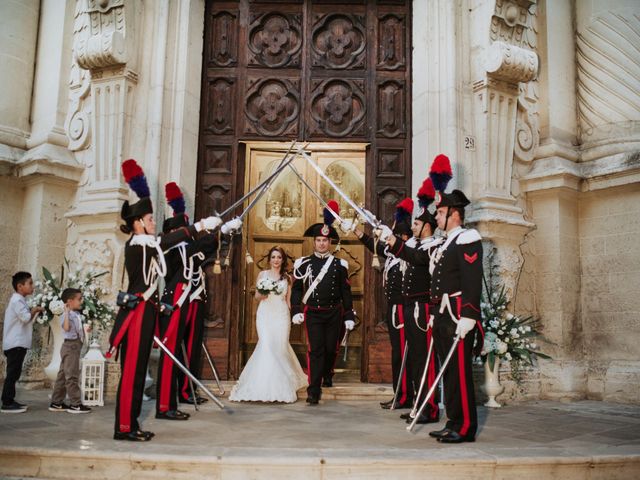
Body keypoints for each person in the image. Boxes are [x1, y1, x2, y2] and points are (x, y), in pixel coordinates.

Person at [108, 159, 237, 441]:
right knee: (132, 372)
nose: (155, 223)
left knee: (139, 370)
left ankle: (130, 424)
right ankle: (125, 427)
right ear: (137, 223)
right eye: (150, 219)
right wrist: (202, 225)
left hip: (148, 311)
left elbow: (178, 243)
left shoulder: (148, 244)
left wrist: (215, 231)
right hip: (137, 312)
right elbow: (170, 242)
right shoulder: (138, 244)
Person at [155, 182, 226, 420]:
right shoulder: (169, 248)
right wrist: (202, 228)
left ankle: (186, 390)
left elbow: (204, 246)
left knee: (192, 348)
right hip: (175, 302)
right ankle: (168, 399)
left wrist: (222, 231)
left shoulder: (188, 247)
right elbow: (195, 246)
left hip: (194, 300)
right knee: (173, 350)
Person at [385, 176, 443, 425]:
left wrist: (393, 240)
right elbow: (408, 253)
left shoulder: (433, 246)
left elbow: (415, 258)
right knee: (416, 359)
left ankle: (429, 407)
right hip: (410, 308)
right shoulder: (418, 246)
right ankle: (418, 403)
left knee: (425, 360)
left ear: (426, 227)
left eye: (416, 224)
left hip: (423, 309)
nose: (413, 228)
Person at [291, 201, 355, 405]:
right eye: (318, 240)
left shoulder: (340, 264)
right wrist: (296, 310)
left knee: (330, 349)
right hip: (314, 313)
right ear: (314, 242)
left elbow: (346, 291)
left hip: (334, 312)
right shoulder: (303, 263)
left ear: (330, 243)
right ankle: (314, 389)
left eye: (325, 240)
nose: (321, 244)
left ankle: (327, 374)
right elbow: (297, 289)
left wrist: (349, 315)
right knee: (316, 350)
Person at [352, 198, 414, 410]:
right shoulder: (393, 255)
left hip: (404, 309)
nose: (389, 240)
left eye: (395, 237)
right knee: (397, 353)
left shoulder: (407, 255)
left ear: (404, 238)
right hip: (394, 310)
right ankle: (400, 393)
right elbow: (374, 246)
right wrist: (358, 232)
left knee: (403, 354)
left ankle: (406, 395)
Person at [229, 246, 307, 403]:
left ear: (283, 260)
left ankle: (281, 385)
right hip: (265, 315)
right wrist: (265, 290)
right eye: (273, 257)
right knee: (266, 345)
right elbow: (257, 296)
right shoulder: (262, 275)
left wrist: (295, 315)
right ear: (269, 259)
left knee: (280, 347)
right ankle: (261, 385)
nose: (276, 260)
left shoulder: (287, 278)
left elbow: (289, 301)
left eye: (279, 257)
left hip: (281, 316)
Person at [1, 272, 43, 414]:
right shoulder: (17, 300)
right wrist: (35, 309)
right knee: (12, 373)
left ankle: (10, 399)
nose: (33, 286)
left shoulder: (20, 300)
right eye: (30, 283)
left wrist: (35, 312)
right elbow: (25, 318)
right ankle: (6, 402)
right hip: (15, 343)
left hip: (18, 343)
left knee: (15, 373)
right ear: (20, 286)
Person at [49, 288, 92, 414]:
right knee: (72, 376)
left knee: (62, 375)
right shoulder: (65, 315)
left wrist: (86, 330)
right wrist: (66, 312)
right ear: (69, 301)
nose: (81, 301)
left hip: (74, 346)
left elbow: (77, 330)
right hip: (70, 347)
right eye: (79, 299)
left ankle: (56, 402)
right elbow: (66, 328)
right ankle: (76, 404)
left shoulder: (77, 315)